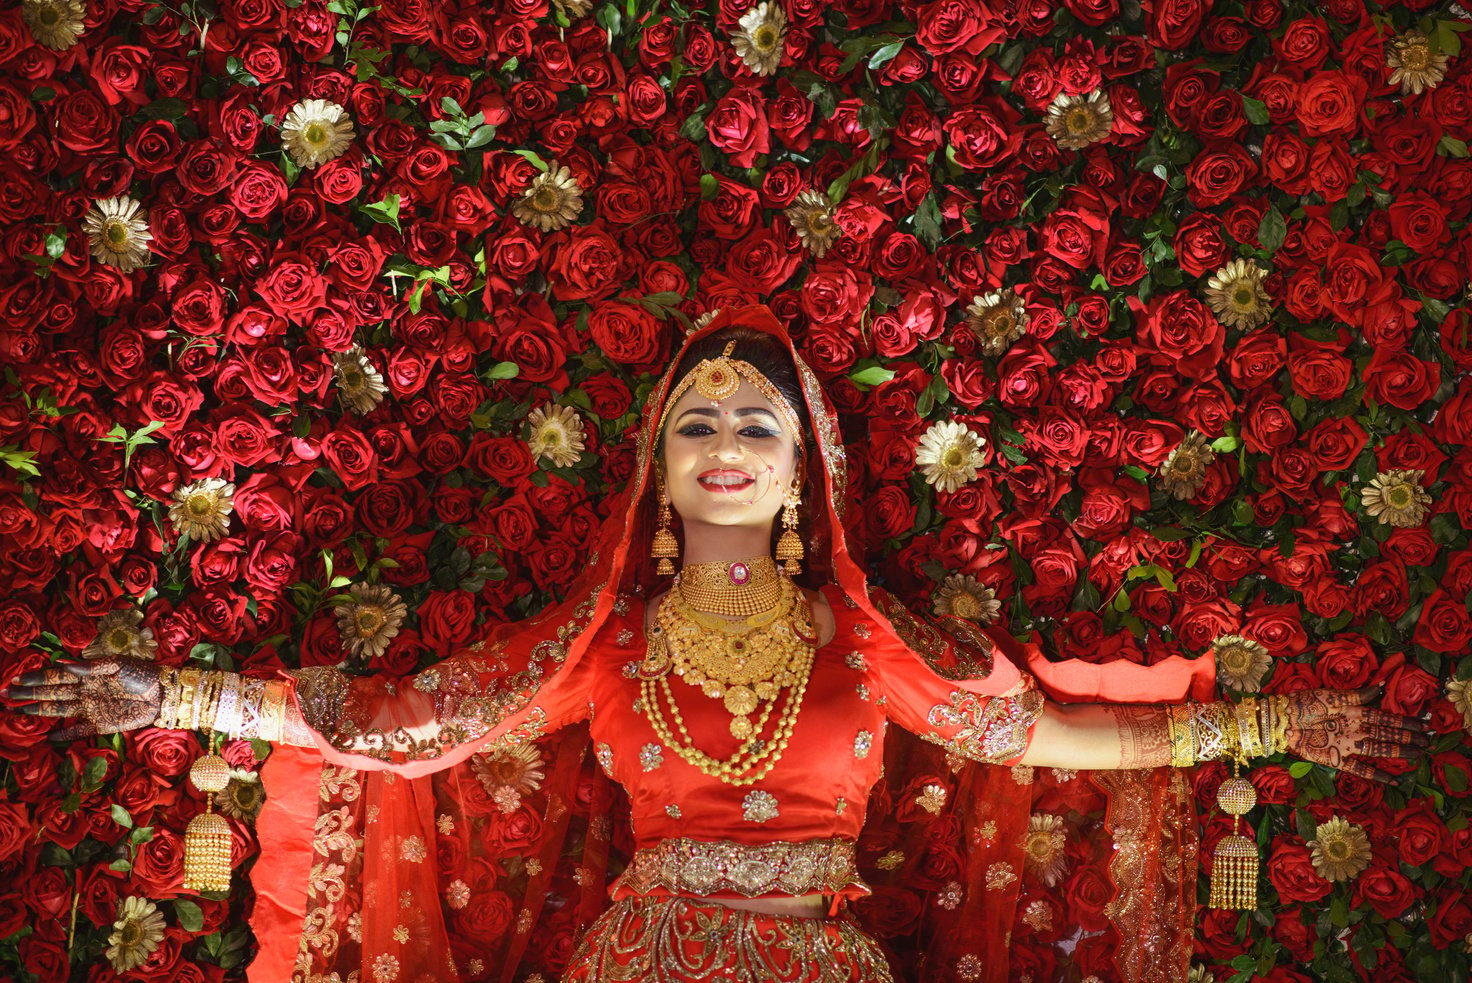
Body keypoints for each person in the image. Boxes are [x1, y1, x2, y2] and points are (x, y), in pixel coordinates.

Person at [2, 305, 1427, 983]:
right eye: (700, 422)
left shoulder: (875, 647)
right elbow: (400, 725)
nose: (729, 444)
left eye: (759, 424)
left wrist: (1274, 725)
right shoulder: (602, 645)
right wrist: (174, 694)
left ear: (809, 471)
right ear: (658, 464)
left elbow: (1064, 738)